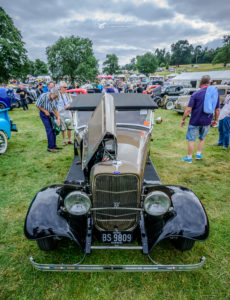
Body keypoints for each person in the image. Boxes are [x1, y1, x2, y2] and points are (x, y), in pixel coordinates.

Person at [181, 75, 220, 163]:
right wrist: (216, 120)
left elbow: (188, 109)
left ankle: (189, 158)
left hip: (195, 120)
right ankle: (198, 154)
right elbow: (217, 109)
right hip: (207, 120)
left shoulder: (196, 94)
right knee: (202, 139)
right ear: (209, 83)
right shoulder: (214, 94)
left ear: (201, 83)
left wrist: (183, 119)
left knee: (191, 140)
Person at [36, 88, 62, 153]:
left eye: (56, 97)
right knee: (49, 129)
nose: (55, 99)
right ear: (51, 94)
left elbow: (55, 109)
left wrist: (58, 119)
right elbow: (37, 105)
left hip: (50, 113)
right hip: (43, 114)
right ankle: (50, 147)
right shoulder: (43, 96)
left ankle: (54, 145)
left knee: (54, 129)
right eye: (55, 97)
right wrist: (45, 111)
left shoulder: (55, 98)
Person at [57, 81, 73, 146]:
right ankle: (64, 141)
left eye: (67, 87)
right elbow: (56, 105)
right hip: (61, 114)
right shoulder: (57, 95)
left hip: (68, 113)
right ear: (60, 87)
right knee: (63, 128)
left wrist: (68, 105)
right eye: (65, 87)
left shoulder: (68, 94)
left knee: (69, 127)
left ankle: (69, 140)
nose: (66, 88)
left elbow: (71, 102)